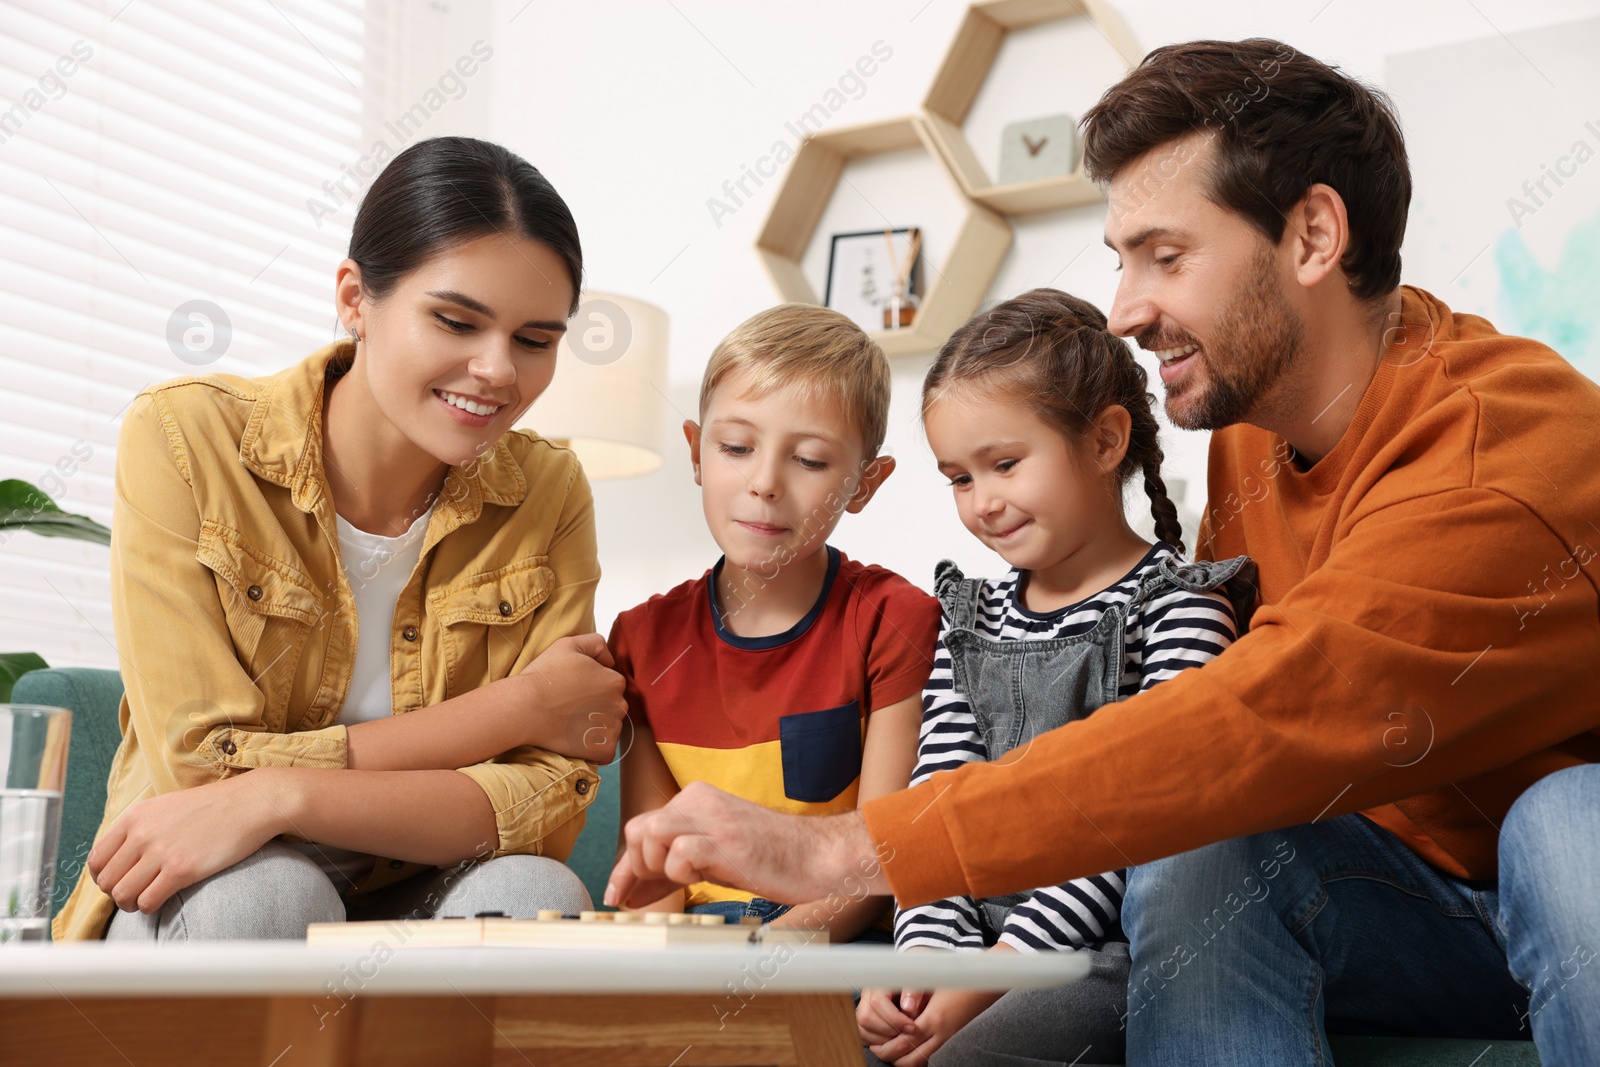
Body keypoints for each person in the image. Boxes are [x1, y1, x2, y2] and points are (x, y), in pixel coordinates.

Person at [608, 39, 1600, 1066]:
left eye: (1163, 257)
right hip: (1395, 906)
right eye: (1122, 258)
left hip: (1559, 892)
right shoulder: (1251, 429)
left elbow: (1256, 712)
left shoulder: (1506, 458)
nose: (1125, 309)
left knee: (1569, 819)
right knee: (1201, 843)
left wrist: (835, 846)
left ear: (1311, 234)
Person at [54, 136, 626, 942]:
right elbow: (205, 767)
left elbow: (542, 801)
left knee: (539, 888)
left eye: (536, 340)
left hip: (420, 878)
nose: (499, 370)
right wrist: (518, 707)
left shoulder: (549, 489)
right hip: (207, 883)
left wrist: (279, 791)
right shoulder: (185, 437)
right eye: (457, 320)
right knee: (270, 898)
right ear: (355, 299)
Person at [858, 288, 1247, 1066]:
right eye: (960, 478)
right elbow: (934, 804)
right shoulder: (970, 619)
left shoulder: (1184, 611)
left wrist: (998, 975)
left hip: (1100, 953)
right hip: (970, 943)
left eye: (1005, 464)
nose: (984, 503)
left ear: (1105, 440)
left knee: (970, 1056)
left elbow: (1134, 833)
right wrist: (925, 960)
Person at [608, 305, 940, 941]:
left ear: (865, 484)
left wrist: (763, 960)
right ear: (696, 452)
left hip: (826, 941)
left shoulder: (895, 621)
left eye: (810, 460)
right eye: (736, 447)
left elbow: (882, 859)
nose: (763, 483)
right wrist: (668, 980)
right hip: (694, 946)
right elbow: (652, 873)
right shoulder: (641, 639)